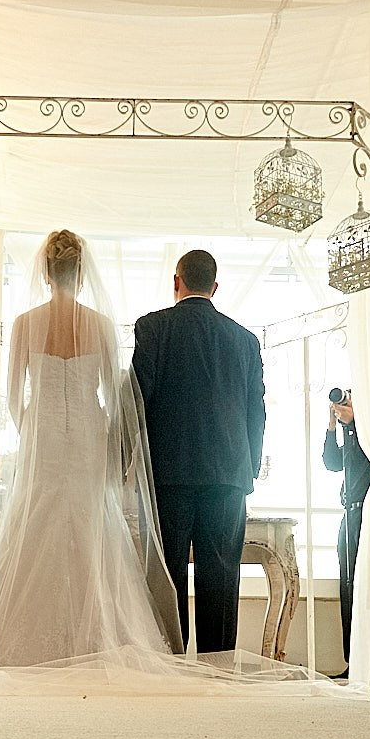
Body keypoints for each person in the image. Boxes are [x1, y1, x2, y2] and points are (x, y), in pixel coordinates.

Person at [0, 229, 181, 667]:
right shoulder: (99, 324)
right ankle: (97, 639)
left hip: (43, 437)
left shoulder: (24, 324)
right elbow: (115, 399)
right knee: (93, 533)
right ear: (80, 274)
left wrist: (36, 432)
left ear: (45, 272)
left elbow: (15, 396)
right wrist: (108, 442)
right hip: (90, 439)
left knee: (36, 527)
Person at [132, 248, 265, 654]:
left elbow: (138, 400)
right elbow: (255, 411)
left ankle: (170, 664)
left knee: (167, 574)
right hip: (228, 474)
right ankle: (218, 665)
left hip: (168, 474)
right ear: (215, 286)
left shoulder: (153, 329)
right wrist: (249, 468)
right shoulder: (245, 340)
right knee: (221, 576)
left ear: (176, 282)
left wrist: (130, 463)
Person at [320, 391, 370, 667]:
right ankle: (351, 661)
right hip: (348, 515)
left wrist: (354, 425)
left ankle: (369, 659)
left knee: (367, 586)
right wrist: (332, 426)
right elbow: (331, 463)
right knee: (347, 585)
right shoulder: (351, 437)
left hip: (369, 515)